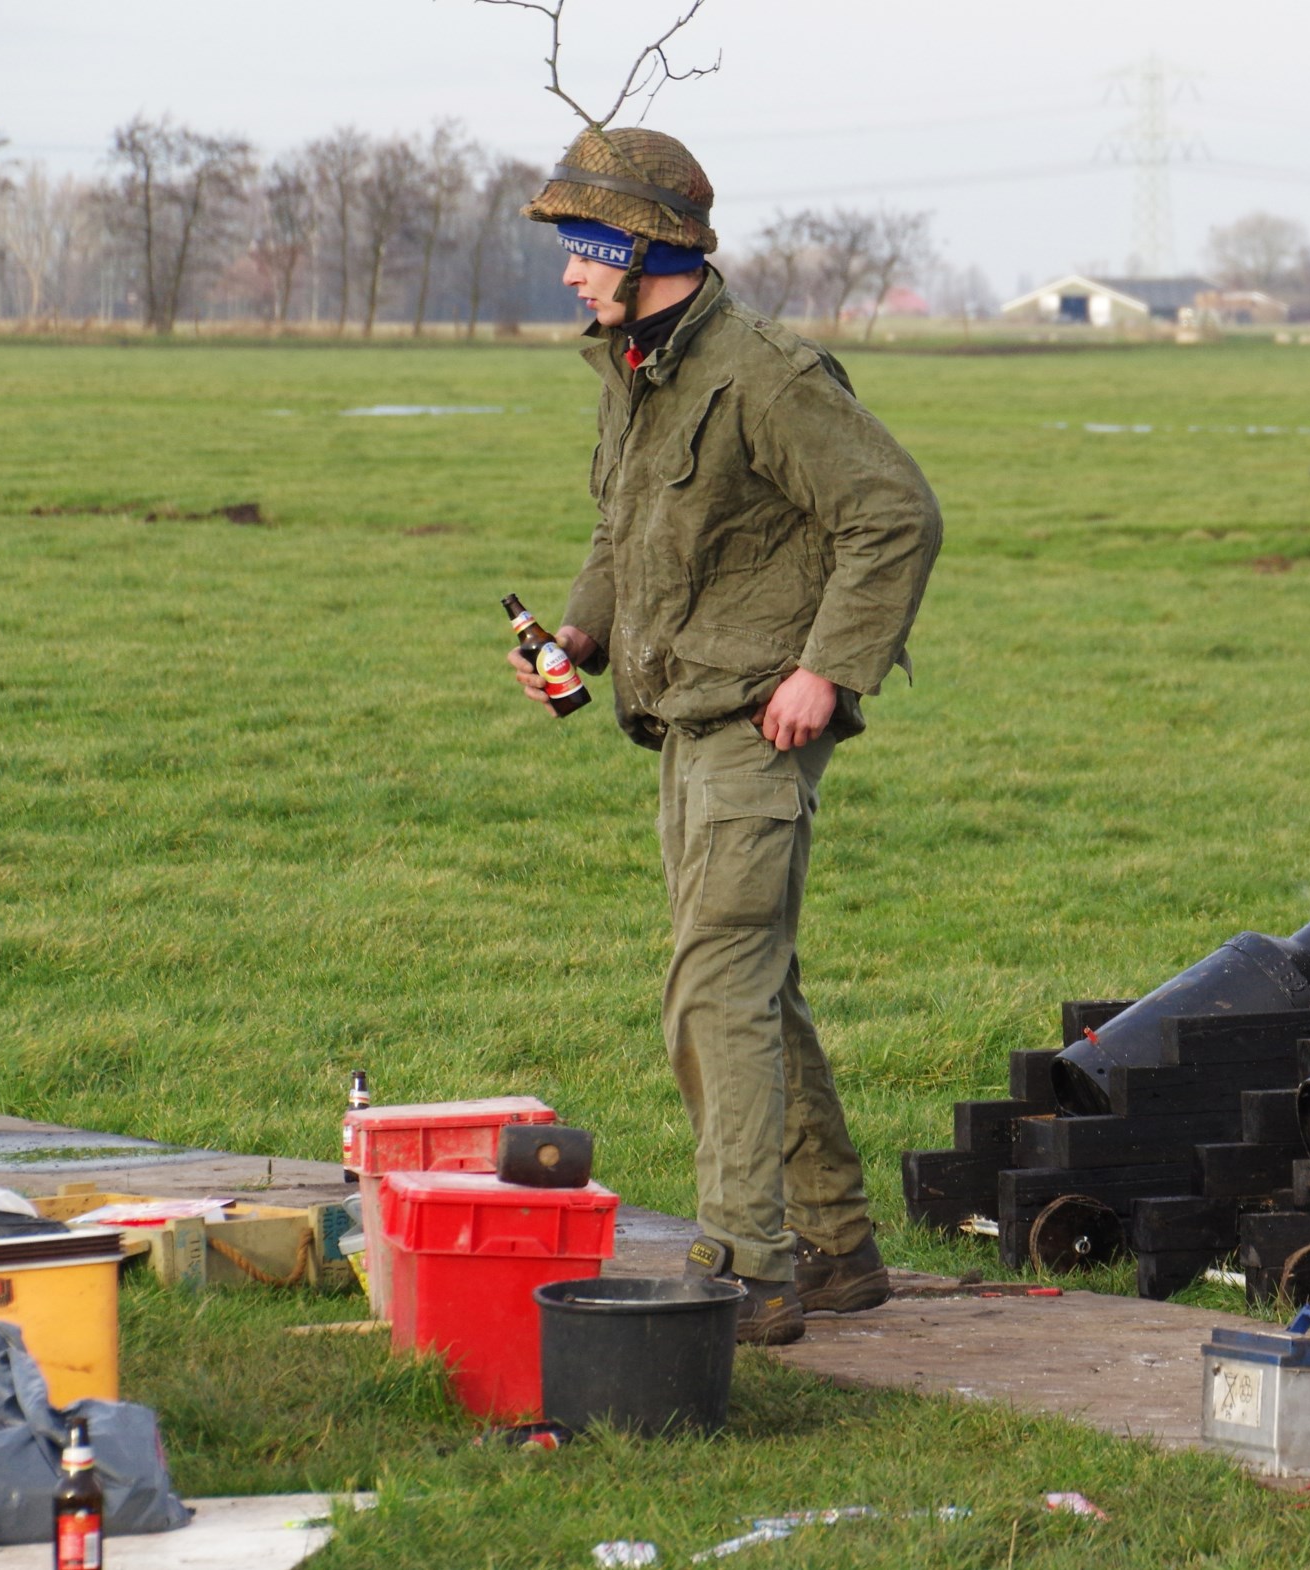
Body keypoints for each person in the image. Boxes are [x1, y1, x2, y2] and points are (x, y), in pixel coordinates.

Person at [506, 127, 941, 1345]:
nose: (571, 276)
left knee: (711, 988)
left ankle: (745, 1266)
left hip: (759, 722)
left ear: (645, 249)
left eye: (585, 251)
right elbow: (622, 526)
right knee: (756, 987)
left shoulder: (766, 375)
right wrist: (581, 635)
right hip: (684, 727)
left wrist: (828, 670)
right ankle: (839, 1246)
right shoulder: (638, 368)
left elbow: (894, 516)